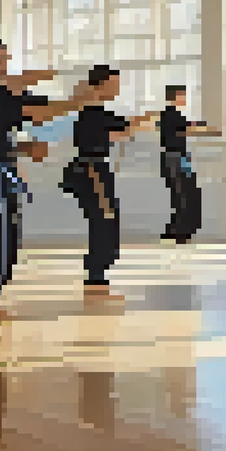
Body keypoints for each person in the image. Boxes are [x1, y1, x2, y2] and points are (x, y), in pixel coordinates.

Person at [0, 39, 92, 317]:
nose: (7, 63)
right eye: (2, 58)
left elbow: (35, 114)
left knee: (6, 236)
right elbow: (38, 112)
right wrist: (81, 100)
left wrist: (24, 148)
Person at [60, 65, 153, 298]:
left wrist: (138, 123)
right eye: (113, 84)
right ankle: (96, 271)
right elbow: (118, 131)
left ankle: (99, 269)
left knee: (106, 217)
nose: (117, 89)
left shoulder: (96, 112)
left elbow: (120, 131)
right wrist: (138, 124)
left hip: (96, 168)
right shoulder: (90, 112)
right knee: (104, 217)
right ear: (99, 86)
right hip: (91, 170)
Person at [158, 84, 216, 243]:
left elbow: (185, 127)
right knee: (183, 192)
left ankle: (182, 228)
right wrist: (203, 129)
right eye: (182, 95)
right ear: (175, 96)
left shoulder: (173, 115)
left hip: (178, 157)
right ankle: (180, 229)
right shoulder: (170, 114)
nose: (184, 99)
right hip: (175, 157)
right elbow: (183, 129)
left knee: (184, 192)